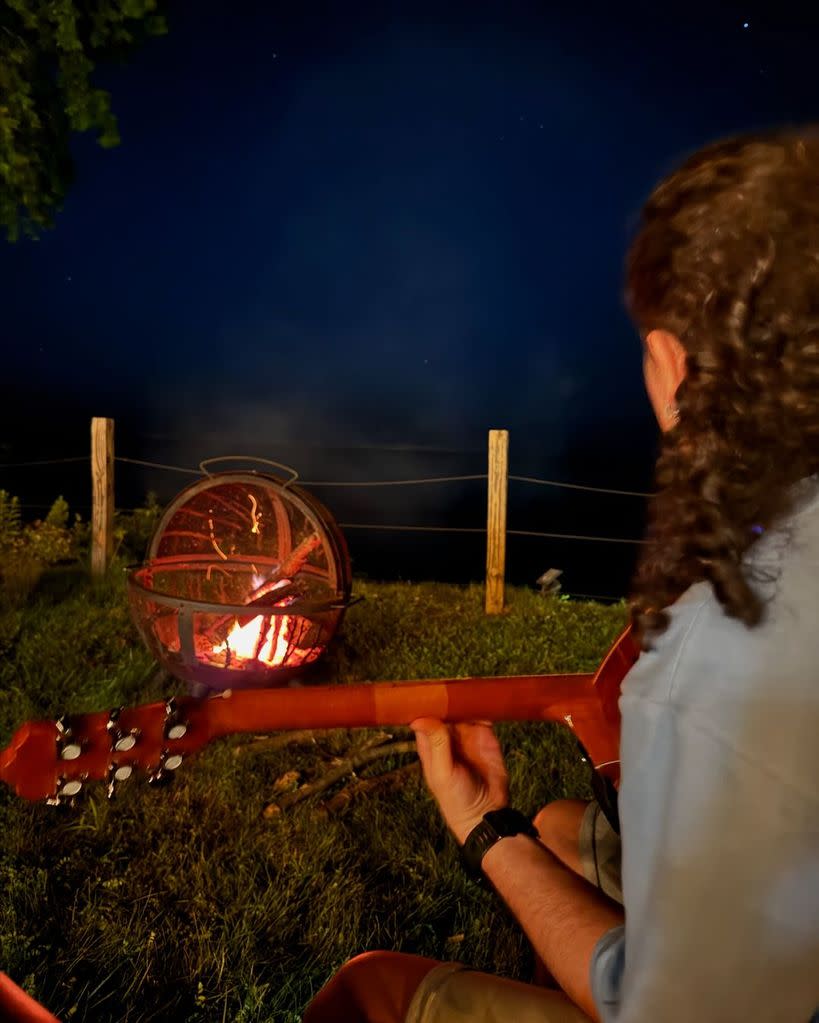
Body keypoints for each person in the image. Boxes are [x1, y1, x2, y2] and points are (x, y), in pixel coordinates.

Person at [303, 127, 819, 1023]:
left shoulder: (717, 656)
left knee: (370, 988)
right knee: (560, 825)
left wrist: (481, 828)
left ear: (668, 367)